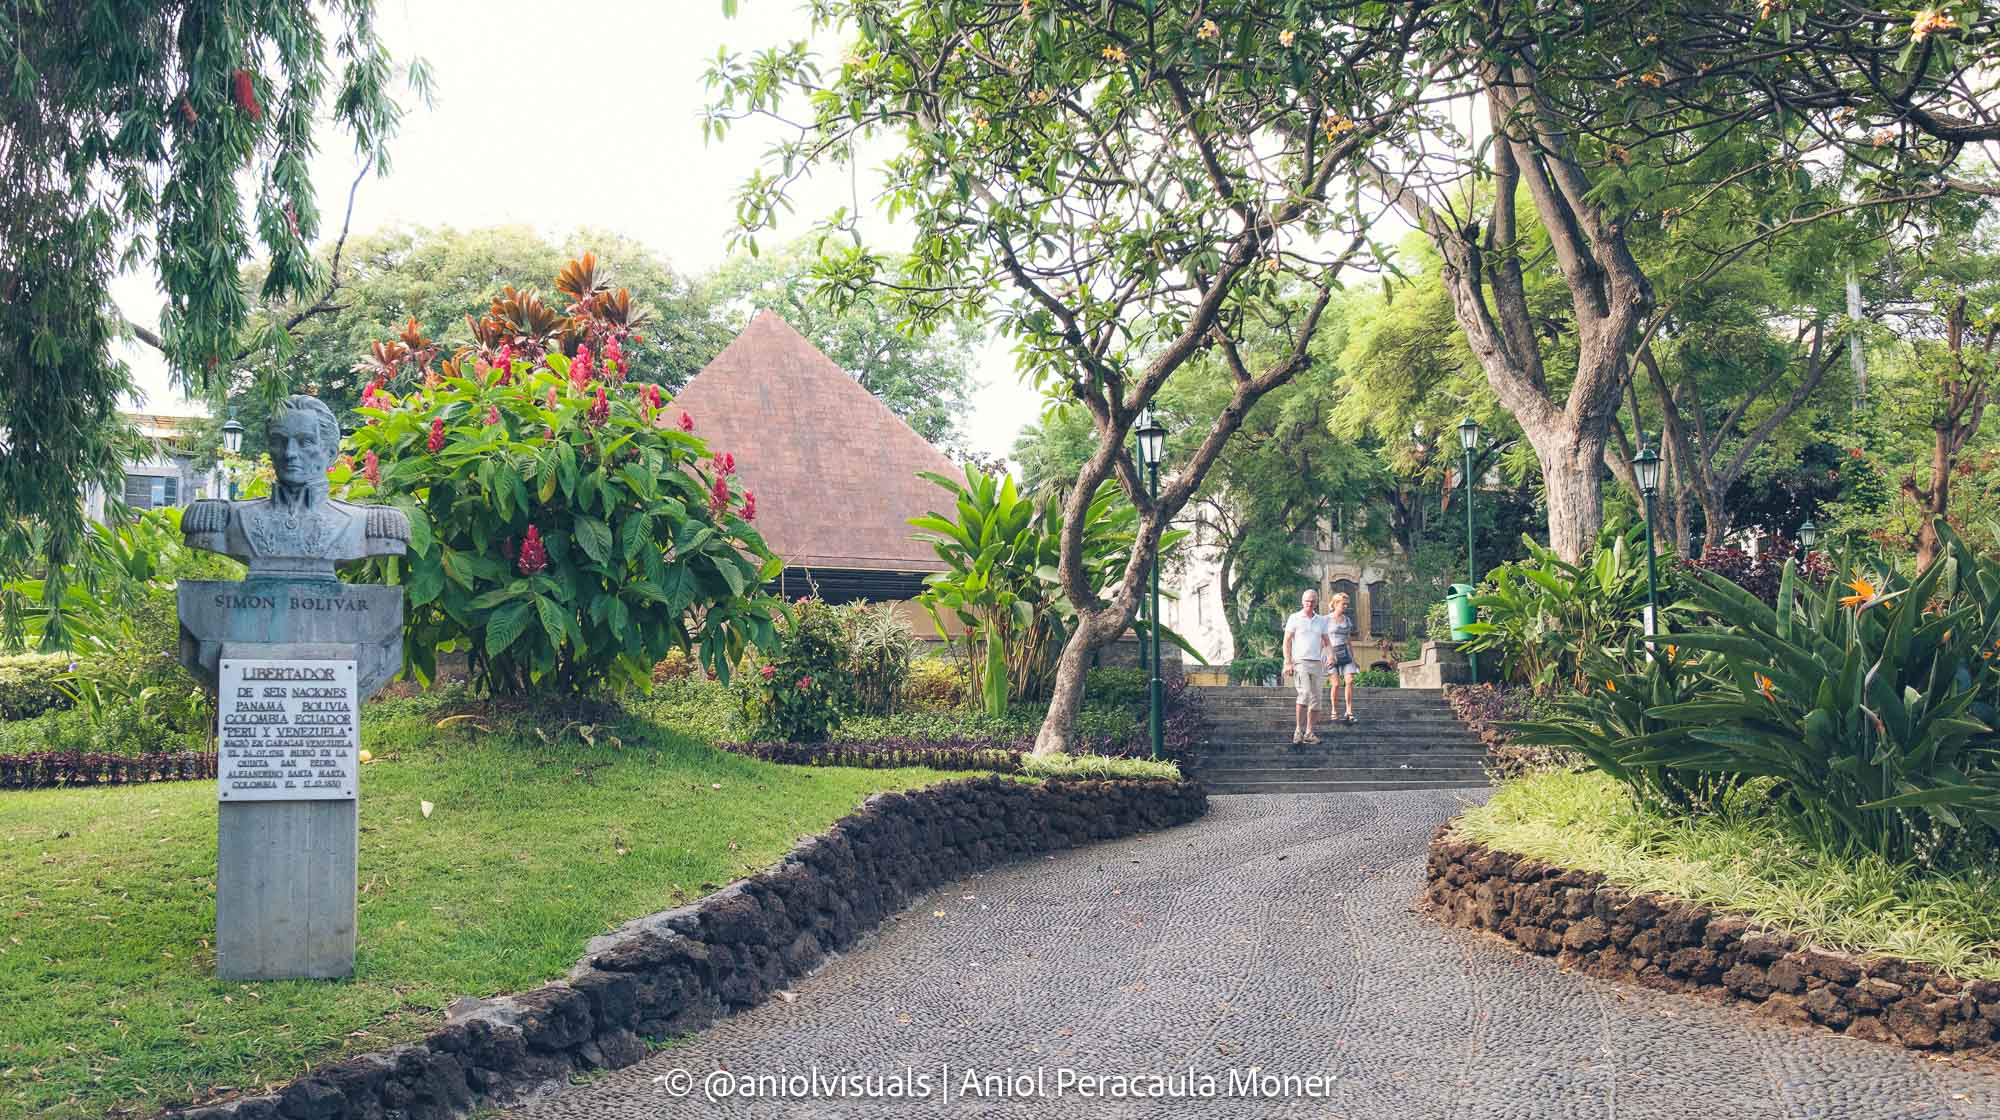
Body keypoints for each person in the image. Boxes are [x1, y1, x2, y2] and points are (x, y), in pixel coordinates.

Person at [1281, 589, 1332, 744]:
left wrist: (1330, 655)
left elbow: (1327, 642)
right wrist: (1287, 662)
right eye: (1307, 601)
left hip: (1317, 662)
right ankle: (1298, 730)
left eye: (1312, 601)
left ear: (1316, 603)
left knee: (1316, 699)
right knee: (1305, 693)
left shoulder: (1321, 620)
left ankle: (1309, 733)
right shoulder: (1294, 618)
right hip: (1300, 661)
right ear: (1302, 602)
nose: (1309, 604)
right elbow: (1287, 641)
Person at [1325, 590, 1359, 723]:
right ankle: (1334, 710)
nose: (1345, 606)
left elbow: (1348, 640)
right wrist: (1327, 655)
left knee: (1349, 681)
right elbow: (1323, 639)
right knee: (1336, 684)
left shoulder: (1347, 620)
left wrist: (1353, 658)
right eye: (1343, 604)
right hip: (1331, 653)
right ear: (1335, 604)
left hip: (1345, 653)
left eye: (1346, 604)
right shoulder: (1326, 619)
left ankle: (1349, 711)